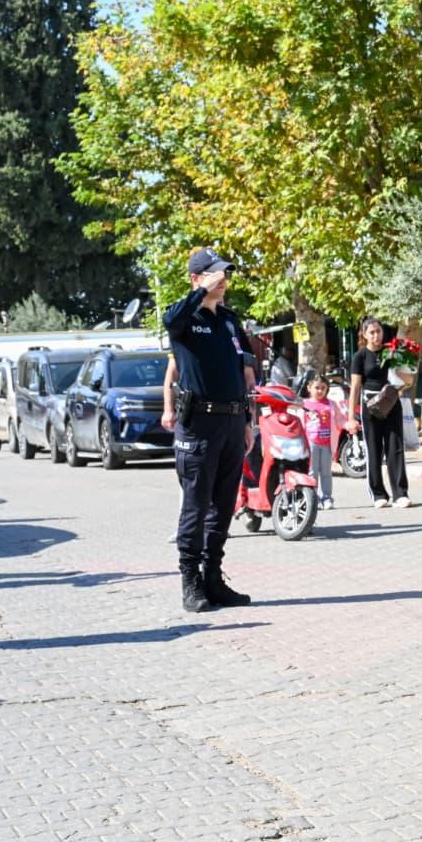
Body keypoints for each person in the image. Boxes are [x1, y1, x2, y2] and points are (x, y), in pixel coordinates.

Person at [162, 247, 258, 612]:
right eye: (215, 273)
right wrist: (202, 292)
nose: (223, 279)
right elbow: (171, 321)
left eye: (225, 273)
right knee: (196, 505)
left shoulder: (230, 322)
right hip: (199, 424)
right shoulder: (184, 319)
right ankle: (190, 582)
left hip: (232, 422)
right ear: (195, 278)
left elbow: (242, 374)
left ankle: (214, 578)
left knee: (222, 505)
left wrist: (247, 421)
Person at [348, 317, 411, 508]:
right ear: (365, 334)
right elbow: (355, 388)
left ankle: (400, 493)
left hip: (391, 403)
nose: (376, 335)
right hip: (370, 405)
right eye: (372, 332)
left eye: (379, 331)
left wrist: (402, 367)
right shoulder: (360, 357)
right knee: (374, 449)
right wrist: (351, 417)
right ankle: (378, 494)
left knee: (395, 447)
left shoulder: (391, 353)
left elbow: (408, 381)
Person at [303, 375, 336, 509]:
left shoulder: (331, 404)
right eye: (317, 388)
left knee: (326, 472)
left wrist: (348, 424)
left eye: (323, 388)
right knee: (312, 472)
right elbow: (300, 423)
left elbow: (338, 420)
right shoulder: (304, 404)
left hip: (327, 443)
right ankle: (313, 497)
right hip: (311, 442)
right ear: (309, 388)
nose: (320, 391)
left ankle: (327, 497)